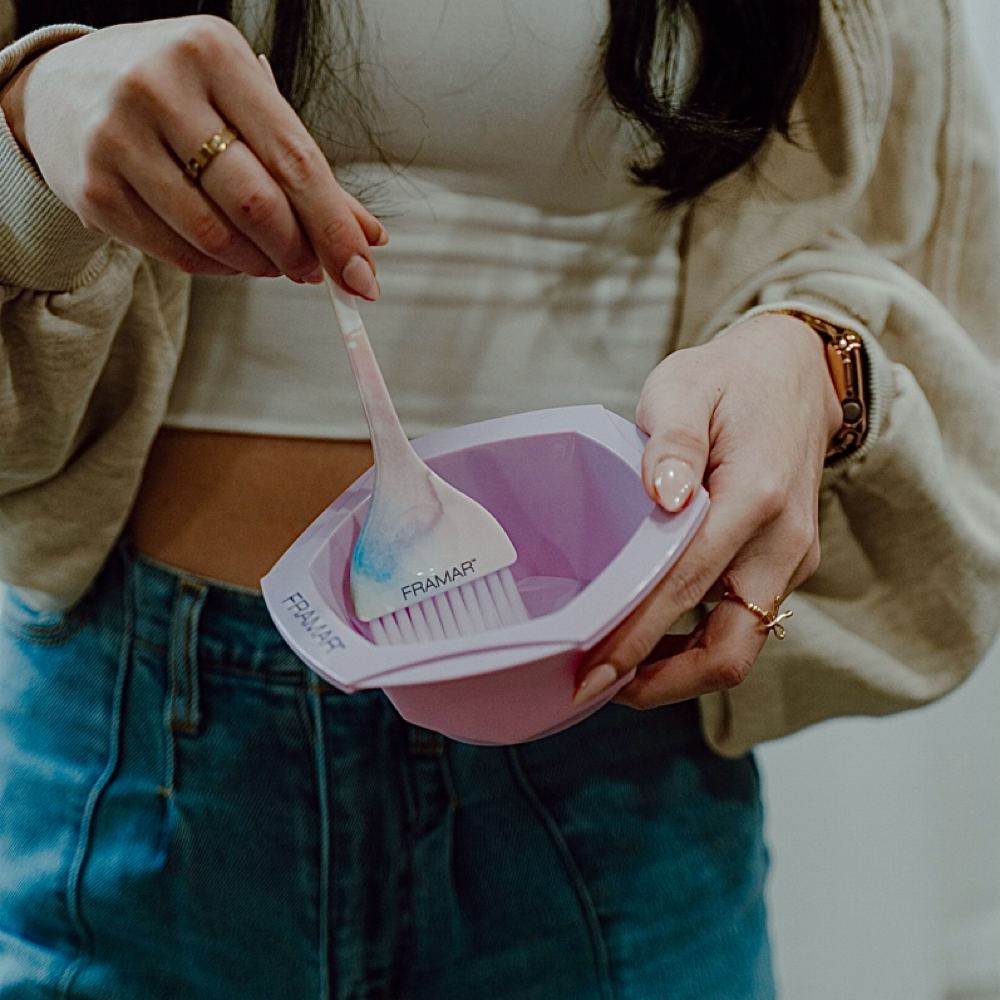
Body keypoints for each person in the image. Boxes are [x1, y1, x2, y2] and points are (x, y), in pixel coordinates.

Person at [1, 1, 998, 997]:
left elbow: (924, 248)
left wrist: (813, 356)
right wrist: (30, 122)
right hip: (140, 730)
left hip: (611, 736)